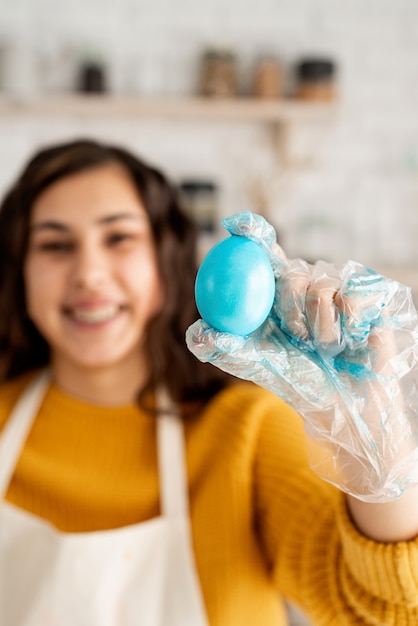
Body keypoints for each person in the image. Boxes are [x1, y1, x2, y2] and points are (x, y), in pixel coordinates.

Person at [0, 138, 418, 626]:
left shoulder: (246, 432)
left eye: (119, 238)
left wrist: (375, 458)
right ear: (20, 274)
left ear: (165, 262)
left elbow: (381, 610)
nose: (89, 274)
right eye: (55, 245)